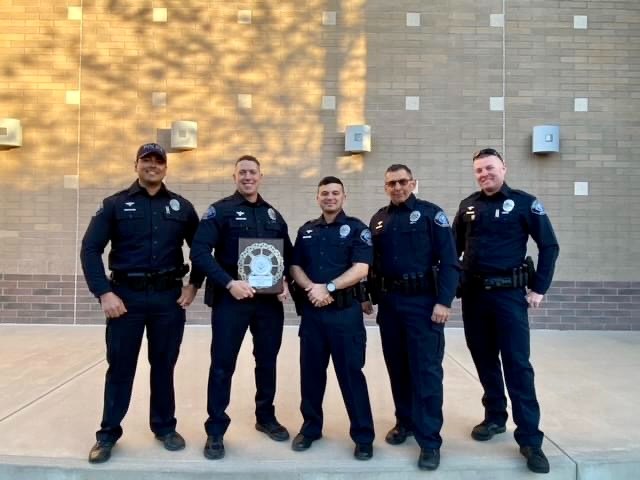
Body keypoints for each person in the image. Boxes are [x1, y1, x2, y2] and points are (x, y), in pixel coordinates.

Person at [80, 142, 203, 464]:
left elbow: (201, 250)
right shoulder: (114, 205)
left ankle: (164, 428)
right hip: (126, 299)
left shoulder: (182, 207)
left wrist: (193, 286)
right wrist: (104, 293)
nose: (153, 166)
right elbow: (90, 249)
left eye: (158, 161)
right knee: (120, 368)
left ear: (165, 167)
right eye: (146, 160)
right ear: (136, 165)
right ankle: (107, 434)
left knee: (163, 366)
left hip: (168, 298)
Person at [452, 148, 559, 474]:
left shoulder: (525, 203)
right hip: (474, 298)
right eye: (479, 171)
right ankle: (495, 416)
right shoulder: (468, 206)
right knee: (484, 361)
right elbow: (451, 249)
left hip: (509, 298)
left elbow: (549, 245)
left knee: (517, 365)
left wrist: (539, 287)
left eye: (490, 168)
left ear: (503, 168)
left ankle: (530, 438)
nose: (485, 174)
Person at [190, 155, 292, 460]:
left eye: (252, 172)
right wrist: (228, 282)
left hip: (267, 304)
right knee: (222, 365)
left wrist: (286, 280)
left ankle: (266, 418)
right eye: (242, 172)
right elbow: (199, 251)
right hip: (230, 301)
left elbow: (288, 254)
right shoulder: (219, 211)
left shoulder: (274, 215)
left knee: (267, 362)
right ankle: (216, 430)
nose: (247, 177)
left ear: (261, 176)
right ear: (234, 177)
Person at [363, 164, 459, 471]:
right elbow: (371, 263)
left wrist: (443, 301)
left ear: (413, 183)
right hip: (390, 304)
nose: (397, 187)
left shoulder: (432, 215)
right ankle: (404, 422)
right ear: (385, 186)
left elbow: (449, 262)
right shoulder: (378, 220)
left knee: (426, 371)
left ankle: (429, 440)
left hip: (423, 303)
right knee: (398, 368)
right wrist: (368, 295)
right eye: (391, 183)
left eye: (403, 182)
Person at [289, 176, 375, 460]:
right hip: (313, 315)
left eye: (335, 193)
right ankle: (311, 428)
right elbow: (295, 266)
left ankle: (363, 436)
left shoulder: (356, 229)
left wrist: (328, 287)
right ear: (317, 198)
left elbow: (361, 268)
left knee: (351, 376)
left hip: (344, 315)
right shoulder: (306, 231)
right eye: (324, 193)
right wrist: (311, 288)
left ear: (343, 196)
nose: (329, 197)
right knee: (311, 376)